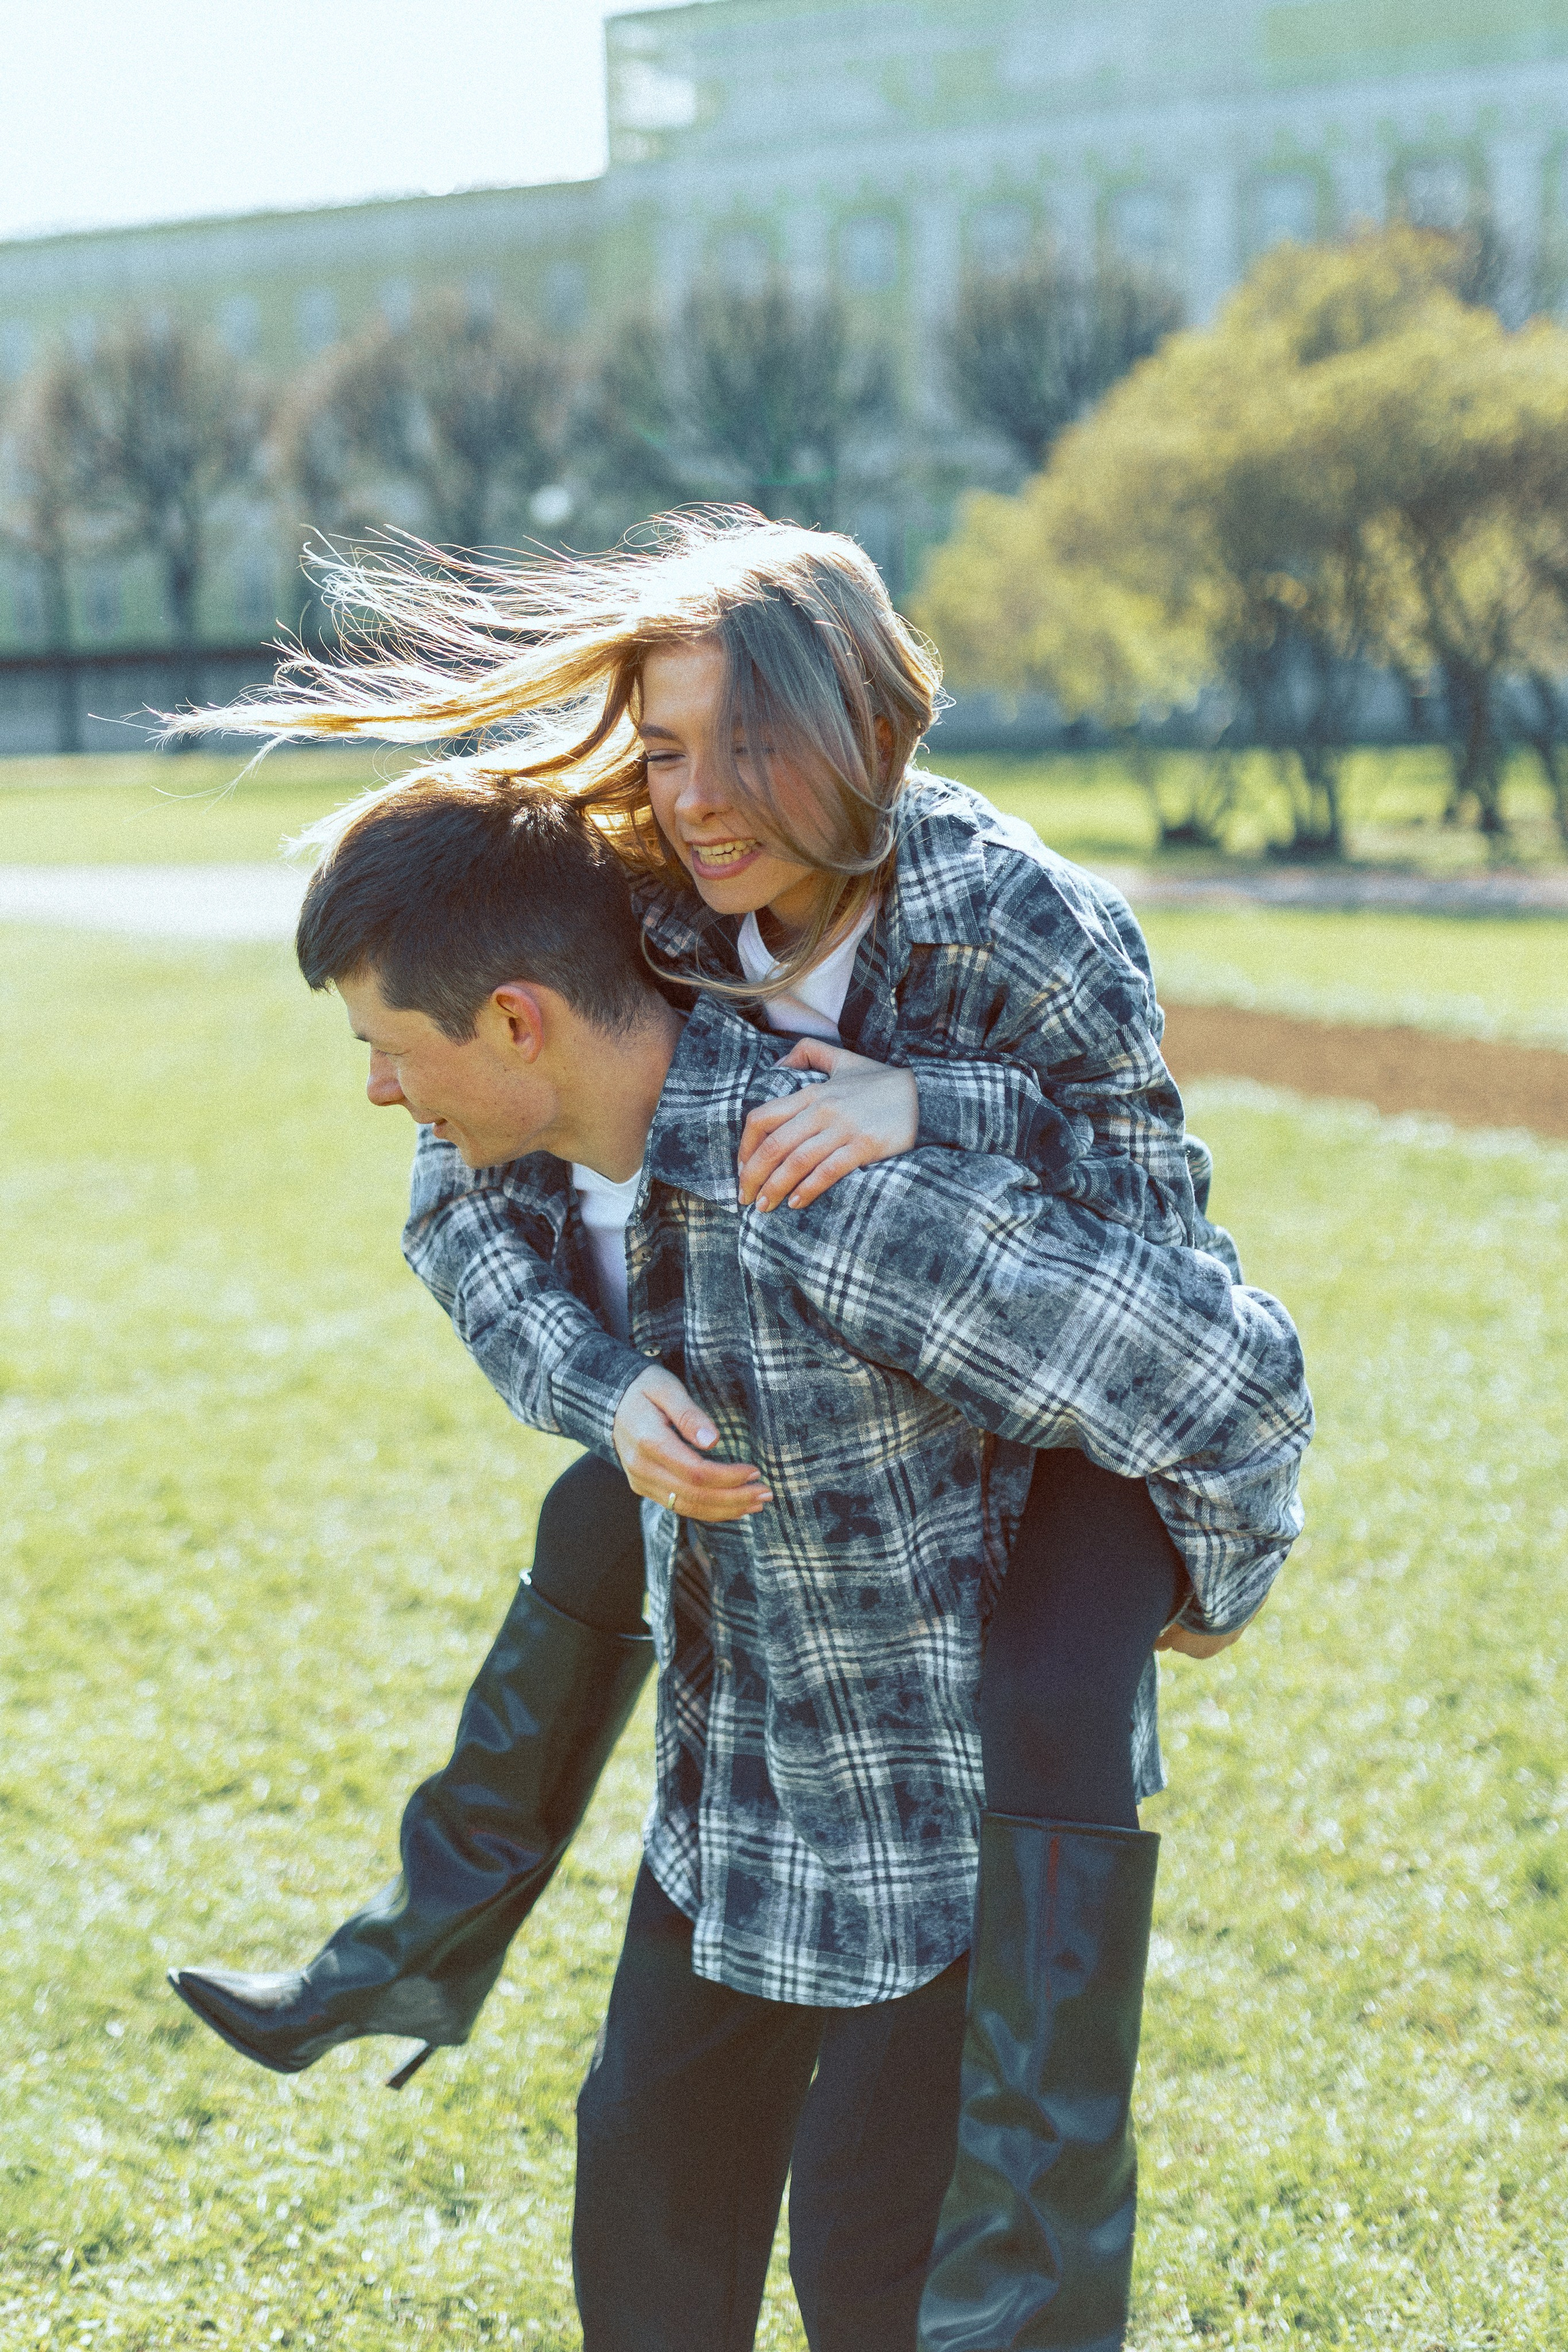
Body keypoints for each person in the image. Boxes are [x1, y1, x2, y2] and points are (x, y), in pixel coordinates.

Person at [169, 511, 1305, 2346]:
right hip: (766, 1656)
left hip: (1029, 1499)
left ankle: (1036, 2273)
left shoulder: (1013, 923)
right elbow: (473, 1180)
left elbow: (1161, 1271)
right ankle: (413, 1942)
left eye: (736, 750)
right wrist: (605, 1386)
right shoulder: (653, 905)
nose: (691, 800)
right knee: (597, 1519)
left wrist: (933, 1110)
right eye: (664, 748)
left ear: (860, 733)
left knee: (1051, 1689)